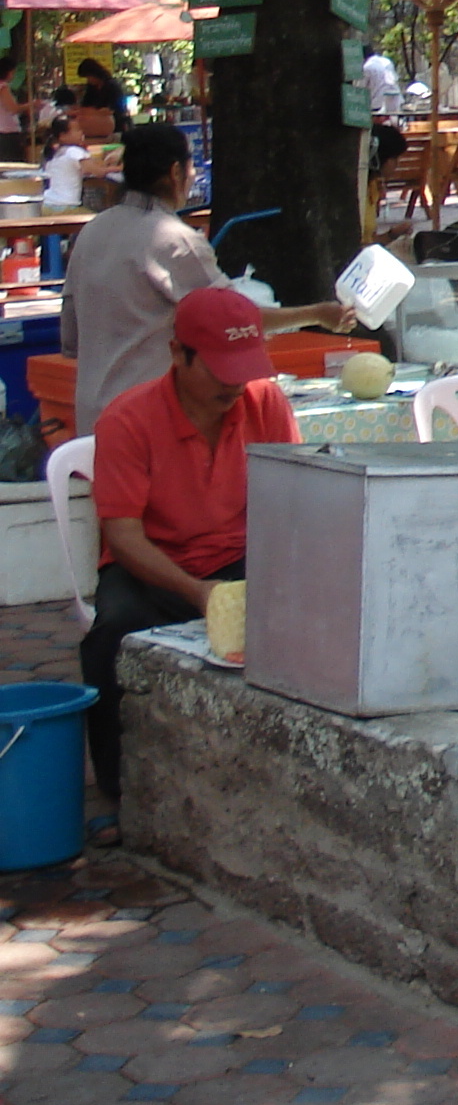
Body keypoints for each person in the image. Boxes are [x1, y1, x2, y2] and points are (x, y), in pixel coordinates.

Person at [78, 285, 305, 795]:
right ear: (179, 355)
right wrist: (197, 592)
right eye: (222, 370)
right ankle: (120, 792)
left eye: (244, 367)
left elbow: (291, 496)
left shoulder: (263, 402)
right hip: (153, 564)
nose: (235, 385)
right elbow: (123, 534)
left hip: (242, 555)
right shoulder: (128, 420)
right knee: (112, 632)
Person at [63, 124, 350, 433]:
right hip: (147, 423)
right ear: (176, 172)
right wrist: (318, 314)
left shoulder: (92, 232)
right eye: (191, 168)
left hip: (92, 419)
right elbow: (236, 322)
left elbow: (71, 338)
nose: (193, 176)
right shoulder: (174, 240)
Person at [363, 45, 407, 177]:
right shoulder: (386, 62)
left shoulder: (367, 67)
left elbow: (360, 88)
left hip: (375, 110)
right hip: (392, 108)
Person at [37, 116, 88, 211]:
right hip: (66, 206)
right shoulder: (74, 151)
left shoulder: (53, 150)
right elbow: (97, 171)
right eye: (77, 130)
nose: (81, 133)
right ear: (63, 136)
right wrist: (119, 168)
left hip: (48, 204)